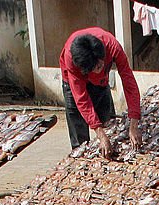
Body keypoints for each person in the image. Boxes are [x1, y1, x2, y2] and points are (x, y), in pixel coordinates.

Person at [60, 27, 142, 157]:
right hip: (73, 81)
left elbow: (129, 82)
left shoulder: (112, 46)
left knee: (108, 121)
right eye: (94, 69)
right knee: (78, 127)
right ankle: (81, 160)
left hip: (101, 82)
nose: (97, 70)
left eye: (99, 66)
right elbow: (81, 98)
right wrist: (100, 134)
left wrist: (134, 123)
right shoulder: (71, 58)